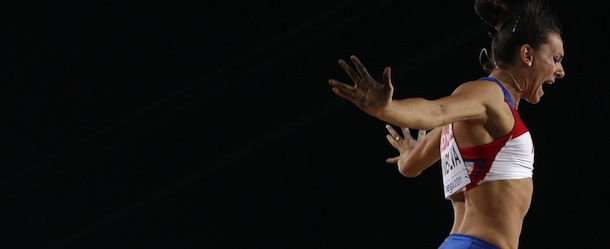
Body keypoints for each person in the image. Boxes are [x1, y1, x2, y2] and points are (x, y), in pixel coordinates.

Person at [327, 0, 565, 248]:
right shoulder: (489, 95)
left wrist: (409, 151)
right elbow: (434, 111)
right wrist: (386, 108)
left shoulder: (472, 113)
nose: (560, 71)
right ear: (527, 55)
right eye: (556, 58)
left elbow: (410, 166)